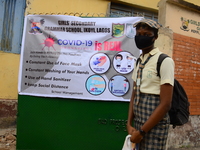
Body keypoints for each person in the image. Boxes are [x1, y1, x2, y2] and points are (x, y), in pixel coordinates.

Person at [126, 19, 174, 150]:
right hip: (138, 122)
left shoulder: (164, 61)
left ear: (155, 37)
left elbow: (165, 104)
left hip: (155, 125)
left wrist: (142, 132)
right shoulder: (138, 61)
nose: (141, 37)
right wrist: (129, 123)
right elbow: (134, 94)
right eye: (139, 34)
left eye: (146, 35)